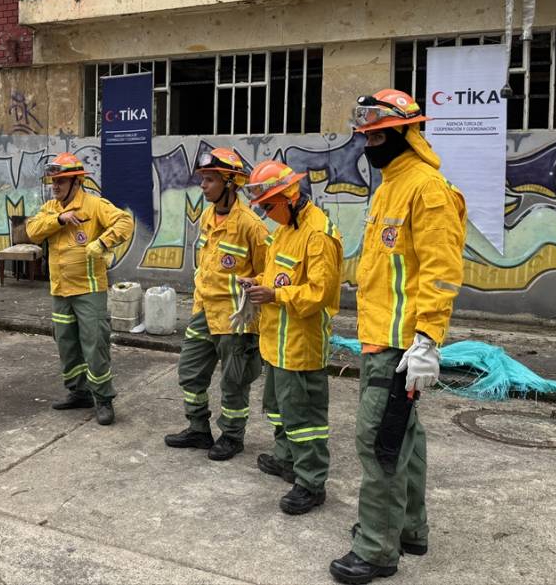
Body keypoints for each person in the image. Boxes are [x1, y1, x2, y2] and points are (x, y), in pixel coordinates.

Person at [329, 89, 466, 585]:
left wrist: (428, 338)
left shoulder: (426, 189)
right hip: (380, 341)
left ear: (406, 134)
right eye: (364, 136)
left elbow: (441, 272)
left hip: (402, 347)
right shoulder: (390, 185)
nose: (368, 145)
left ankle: (377, 550)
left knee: (379, 442)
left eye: (377, 136)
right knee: (407, 437)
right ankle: (409, 528)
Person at [241, 160, 342, 515]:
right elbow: (277, 275)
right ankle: (286, 459)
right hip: (277, 343)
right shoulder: (285, 229)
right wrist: (257, 283)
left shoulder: (318, 235)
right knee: (280, 410)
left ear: (288, 196)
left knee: (305, 419)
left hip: (301, 346)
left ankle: (311, 482)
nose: (266, 214)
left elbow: (319, 293)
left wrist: (275, 296)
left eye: (269, 205)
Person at [164, 148, 267, 461]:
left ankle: (232, 436)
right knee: (190, 372)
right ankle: (199, 429)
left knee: (234, 382)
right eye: (203, 179)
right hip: (204, 313)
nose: (203, 185)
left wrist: (256, 290)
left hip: (235, 320)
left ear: (231, 183)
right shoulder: (208, 215)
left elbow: (269, 272)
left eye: (210, 180)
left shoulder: (251, 225)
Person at [25, 152, 134, 426]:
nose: (56, 186)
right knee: (67, 343)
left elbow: (125, 222)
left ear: (76, 182)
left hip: (89, 290)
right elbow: (32, 232)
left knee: (95, 344)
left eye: (61, 181)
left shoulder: (94, 205)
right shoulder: (51, 207)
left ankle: (104, 399)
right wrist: (60, 219)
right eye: (54, 182)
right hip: (60, 290)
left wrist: (103, 243)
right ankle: (79, 392)